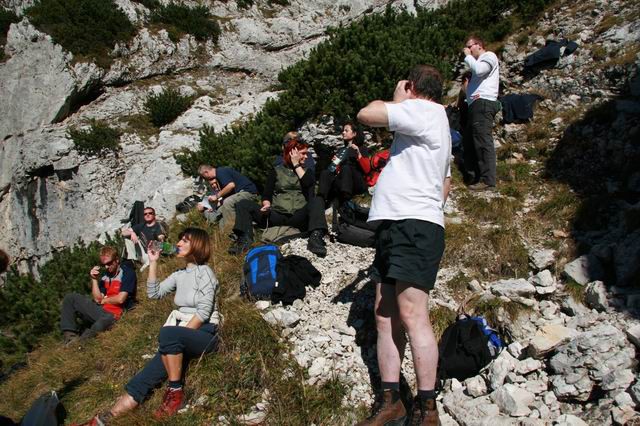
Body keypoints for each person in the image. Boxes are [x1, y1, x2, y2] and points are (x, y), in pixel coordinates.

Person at [356, 64, 451, 425]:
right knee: (385, 315)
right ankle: (392, 400)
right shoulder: (436, 123)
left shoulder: (422, 109)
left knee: (411, 315)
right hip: (404, 224)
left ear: (413, 86)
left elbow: (367, 113)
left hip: (412, 226)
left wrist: (399, 98)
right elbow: (446, 183)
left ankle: (427, 409)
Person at [76, 228, 220, 425]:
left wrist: (177, 336)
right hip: (179, 337)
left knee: (168, 333)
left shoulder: (205, 273)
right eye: (179, 240)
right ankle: (101, 421)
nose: (178, 243)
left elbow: (203, 313)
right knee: (142, 380)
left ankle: (176, 393)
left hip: (204, 334)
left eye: (185, 240)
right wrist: (153, 262)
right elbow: (154, 294)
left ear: (198, 245)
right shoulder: (179, 274)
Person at [228, 135, 328, 257]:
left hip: (299, 216)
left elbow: (308, 184)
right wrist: (266, 204)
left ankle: (315, 239)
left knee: (318, 200)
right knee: (243, 204)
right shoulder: (276, 171)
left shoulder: (308, 171)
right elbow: (267, 194)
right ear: (292, 153)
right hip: (277, 214)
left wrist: (296, 165)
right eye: (303, 154)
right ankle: (244, 239)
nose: (306, 157)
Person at [60, 246, 137, 344]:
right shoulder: (105, 276)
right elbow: (97, 299)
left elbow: (121, 299)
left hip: (116, 313)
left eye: (109, 263)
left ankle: (80, 344)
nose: (106, 267)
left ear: (117, 260)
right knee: (70, 298)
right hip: (103, 310)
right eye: (104, 264)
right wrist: (94, 279)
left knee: (99, 325)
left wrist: (104, 300)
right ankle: (70, 337)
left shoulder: (127, 272)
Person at [462, 35, 500, 190]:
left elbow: (479, 70)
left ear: (479, 45)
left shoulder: (489, 56)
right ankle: (474, 177)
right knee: (470, 142)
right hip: (475, 104)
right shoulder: (477, 61)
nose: (467, 49)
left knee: (482, 141)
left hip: (483, 102)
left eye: (469, 46)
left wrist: (468, 56)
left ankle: (488, 180)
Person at [317, 122, 369, 206]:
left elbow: (367, 169)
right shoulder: (341, 150)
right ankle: (320, 199)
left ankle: (346, 199)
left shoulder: (362, 148)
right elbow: (335, 171)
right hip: (342, 180)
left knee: (346, 167)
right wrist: (336, 164)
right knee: (325, 173)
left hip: (356, 182)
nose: (343, 132)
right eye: (343, 131)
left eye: (346, 130)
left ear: (354, 133)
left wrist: (358, 154)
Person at [197, 164, 258, 230]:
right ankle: (225, 235)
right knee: (221, 216)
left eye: (204, 177)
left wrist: (216, 196)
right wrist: (212, 207)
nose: (205, 179)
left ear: (206, 172)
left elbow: (231, 185)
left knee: (228, 202)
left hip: (247, 191)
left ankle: (232, 231)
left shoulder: (220, 172)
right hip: (238, 195)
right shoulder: (220, 176)